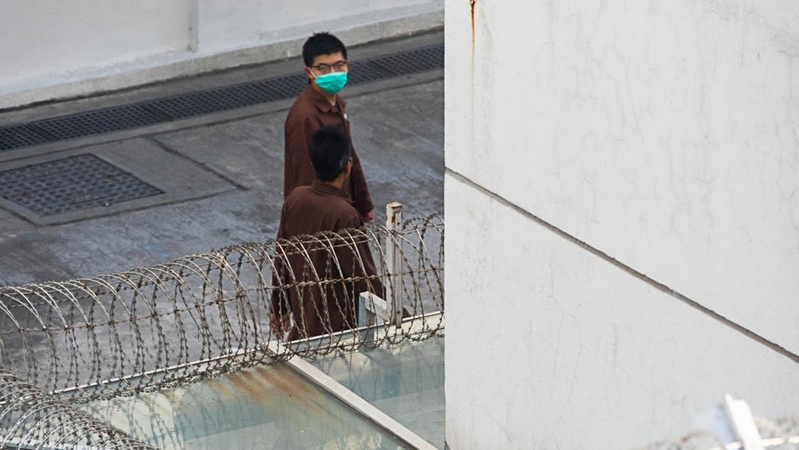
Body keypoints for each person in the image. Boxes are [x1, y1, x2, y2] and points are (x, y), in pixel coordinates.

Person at [270, 125, 383, 340]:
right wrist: (402, 317)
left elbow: (281, 257)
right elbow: (364, 277)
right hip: (338, 332)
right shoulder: (345, 215)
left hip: (304, 324)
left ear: (313, 163)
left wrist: (279, 305)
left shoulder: (295, 199)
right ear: (348, 167)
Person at [283, 32, 375, 224]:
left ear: (347, 66)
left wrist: (363, 205)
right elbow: (305, 176)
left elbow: (350, 158)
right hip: (323, 217)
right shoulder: (304, 117)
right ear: (309, 72)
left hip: (342, 208)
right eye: (323, 68)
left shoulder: (336, 105)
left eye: (338, 66)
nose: (333, 73)